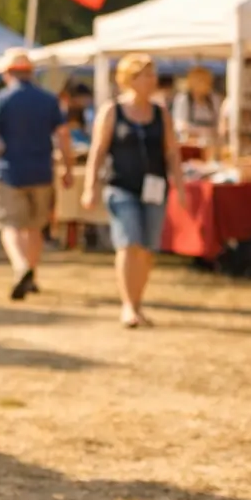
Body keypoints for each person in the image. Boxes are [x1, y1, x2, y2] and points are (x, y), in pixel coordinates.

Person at [81, 53, 183, 328]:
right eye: (145, 75)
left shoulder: (161, 112)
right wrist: (90, 187)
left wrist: (181, 186)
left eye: (152, 75)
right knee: (129, 243)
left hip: (154, 188)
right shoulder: (112, 111)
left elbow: (172, 151)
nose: (151, 80)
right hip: (120, 187)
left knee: (146, 249)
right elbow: (98, 151)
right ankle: (128, 306)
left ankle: (137, 302)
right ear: (129, 79)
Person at [0, 47, 68, 300]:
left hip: (10, 172)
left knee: (10, 226)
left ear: (8, 73)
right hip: (42, 171)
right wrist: (68, 168)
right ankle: (32, 274)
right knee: (35, 227)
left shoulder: (1, 100)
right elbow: (62, 135)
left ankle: (21, 267)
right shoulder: (49, 99)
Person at [172, 65, 220, 150]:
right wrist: (200, 131)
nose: (205, 84)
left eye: (207, 81)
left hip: (210, 147)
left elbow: (219, 124)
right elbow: (178, 125)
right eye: (201, 81)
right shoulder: (183, 99)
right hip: (190, 147)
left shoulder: (214, 100)